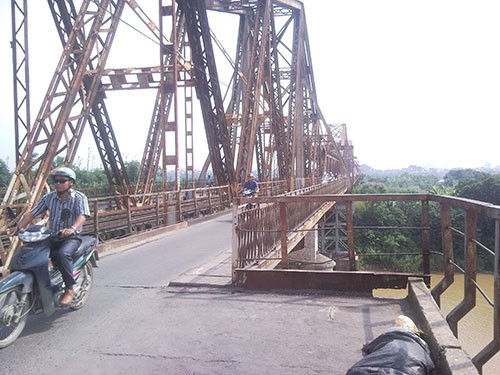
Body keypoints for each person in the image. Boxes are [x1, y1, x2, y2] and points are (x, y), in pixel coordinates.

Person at [10, 167, 91, 306]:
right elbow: (32, 213)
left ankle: (70, 289)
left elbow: (82, 215)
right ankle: (40, 285)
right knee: (32, 253)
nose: (58, 184)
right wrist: (19, 227)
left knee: (62, 254)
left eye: (62, 181)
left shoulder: (79, 197)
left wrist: (72, 229)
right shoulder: (49, 197)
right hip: (53, 236)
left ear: (71, 182)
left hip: (71, 237)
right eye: (55, 181)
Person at [346, 315, 436, 374]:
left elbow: (367, 348)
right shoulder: (421, 351)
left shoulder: (385, 340)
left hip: (361, 371)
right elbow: (431, 369)